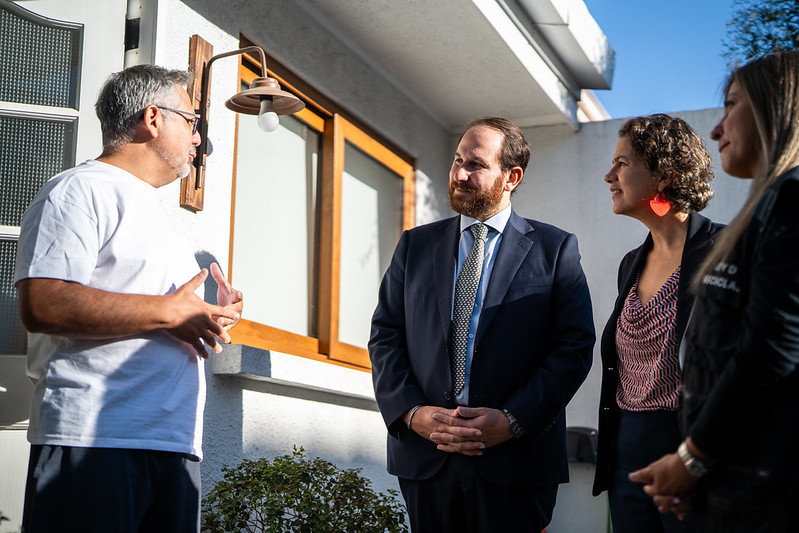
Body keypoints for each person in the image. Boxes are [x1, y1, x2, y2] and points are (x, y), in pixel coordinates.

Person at [15, 64, 244, 533]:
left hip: (174, 446)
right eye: (193, 121)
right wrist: (168, 312)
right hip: (93, 441)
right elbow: (43, 304)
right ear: (153, 118)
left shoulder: (156, 214)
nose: (198, 139)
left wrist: (208, 316)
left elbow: (164, 317)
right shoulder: (78, 191)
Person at [368, 117, 595, 532]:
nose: (458, 174)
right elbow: (386, 336)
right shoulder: (414, 247)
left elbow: (573, 349)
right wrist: (412, 413)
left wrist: (512, 420)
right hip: (427, 459)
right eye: (457, 161)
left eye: (475, 165)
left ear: (512, 177)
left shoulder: (555, 249)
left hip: (516, 462)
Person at [629, 50, 799, 531]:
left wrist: (692, 460)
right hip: (733, 479)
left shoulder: (790, 201)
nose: (718, 128)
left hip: (765, 489)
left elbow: (770, 352)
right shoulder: (764, 210)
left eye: (730, 105)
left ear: (776, 105)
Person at [592, 114, 722, 533]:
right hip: (626, 449)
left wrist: (700, 457)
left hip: (692, 452)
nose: (609, 175)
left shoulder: (725, 250)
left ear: (663, 174)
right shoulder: (632, 262)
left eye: (622, 163)